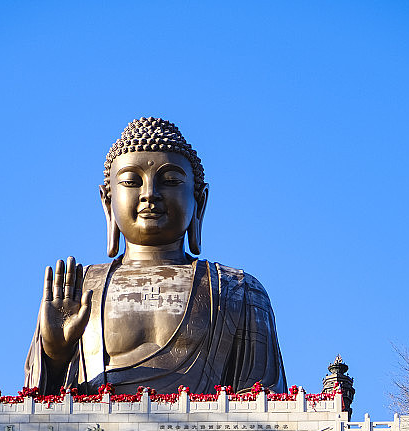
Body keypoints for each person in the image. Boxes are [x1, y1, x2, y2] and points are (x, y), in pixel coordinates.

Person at [25, 118, 286, 395]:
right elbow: (37, 412)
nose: (150, 193)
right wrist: (54, 356)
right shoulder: (76, 290)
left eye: (171, 180)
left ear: (199, 200)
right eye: (131, 181)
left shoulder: (238, 290)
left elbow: (266, 404)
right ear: (107, 201)